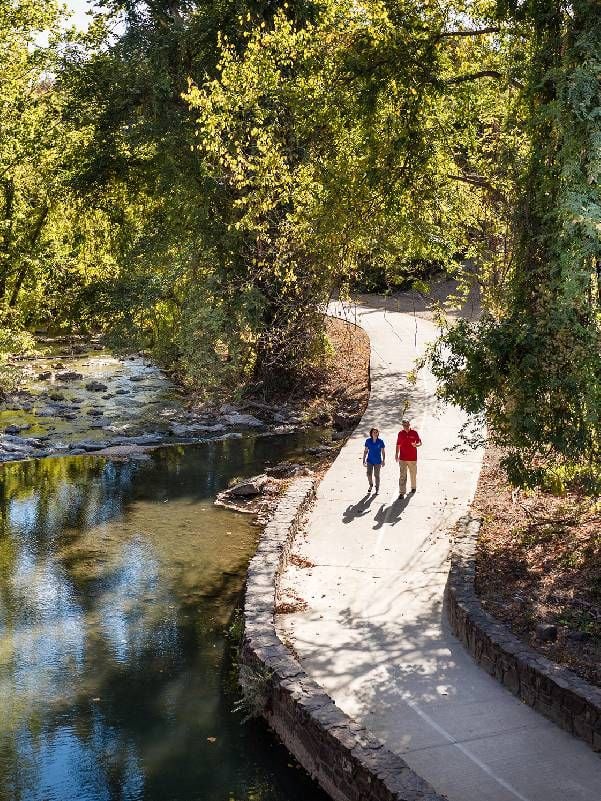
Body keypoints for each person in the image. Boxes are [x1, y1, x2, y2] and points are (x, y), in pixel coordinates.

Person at [395, 418, 421, 498]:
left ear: (409, 425)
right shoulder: (400, 433)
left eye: (407, 425)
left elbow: (420, 442)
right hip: (402, 458)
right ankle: (402, 492)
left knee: (413, 474)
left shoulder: (414, 433)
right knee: (402, 475)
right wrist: (396, 454)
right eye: (404, 425)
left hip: (412, 458)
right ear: (402, 426)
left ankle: (413, 487)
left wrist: (416, 445)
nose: (405, 426)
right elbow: (398, 444)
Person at [362, 428, 385, 494]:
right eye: (373, 432)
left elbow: (383, 452)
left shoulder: (380, 441)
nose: (375, 433)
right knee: (368, 474)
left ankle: (377, 488)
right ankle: (371, 484)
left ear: (378, 433)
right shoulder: (368, 441)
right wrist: (363, 460)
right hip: (370, 460)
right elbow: (366, 451)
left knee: (376, 475)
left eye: (376, 432)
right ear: (371, 434)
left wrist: (383, 460)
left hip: (378, 461)